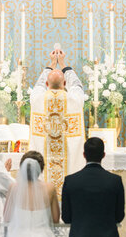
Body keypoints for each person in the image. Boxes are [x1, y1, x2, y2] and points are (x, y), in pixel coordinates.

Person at [29, 48, 85, 194]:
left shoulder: (37, 99)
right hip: (68, 173)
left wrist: (51, 65)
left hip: (44, 176)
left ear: (47, 84)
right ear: (65, 83)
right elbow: (77, 86)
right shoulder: (74, 100)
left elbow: (38, 85)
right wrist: (64, 65)